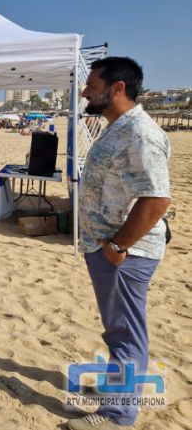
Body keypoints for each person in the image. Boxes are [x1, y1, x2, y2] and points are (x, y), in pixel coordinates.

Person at [68, 57, 171, 430]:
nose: (85, 91)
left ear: (118, 88)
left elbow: (157, 200)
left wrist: (118, 247)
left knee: (126, 332)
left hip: (124, 253)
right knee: (119, 330)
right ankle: (116, 392)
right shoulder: (116, 127)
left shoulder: (139, 133)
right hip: (109, 247)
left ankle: (117, 415)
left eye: (92, 85)